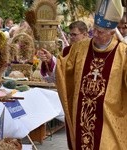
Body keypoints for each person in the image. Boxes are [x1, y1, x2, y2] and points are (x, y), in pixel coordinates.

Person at [38, 0, 127, 149]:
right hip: (81, 123)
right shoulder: (80, 49)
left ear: (112, 32)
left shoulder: (123, 54)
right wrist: (50, 61)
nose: (96, 34)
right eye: (95, 29)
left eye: (101, 32)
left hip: (109, 126)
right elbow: (63, 72)